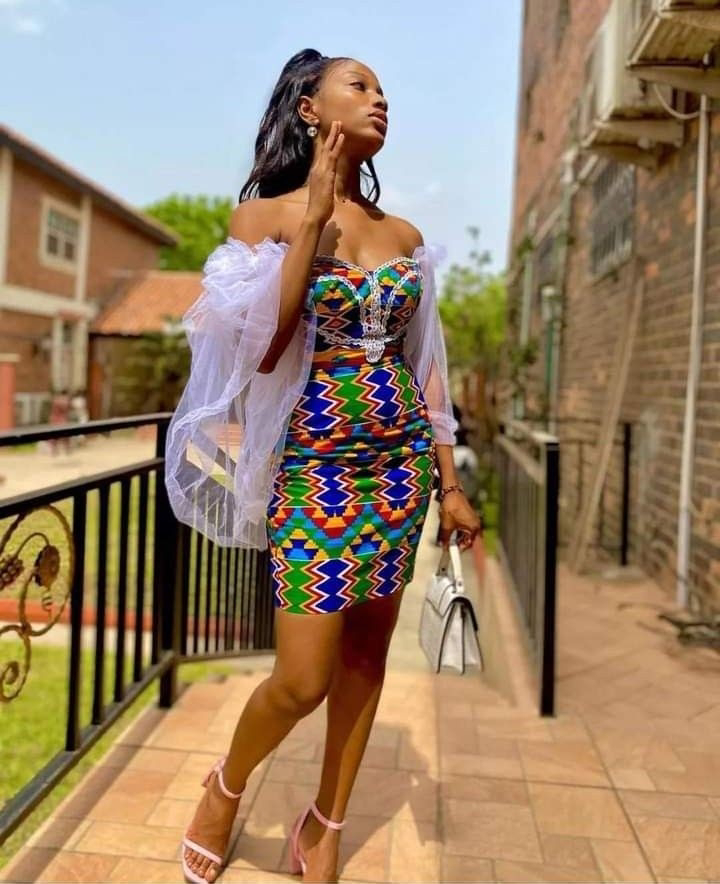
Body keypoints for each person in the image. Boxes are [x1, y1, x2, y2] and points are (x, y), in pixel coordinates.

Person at [165, 48, 482, 884]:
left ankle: (327, 820)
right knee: (302, 678)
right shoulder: (261, 219)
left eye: (385, 91)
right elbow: (262, 351)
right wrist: (310, 220)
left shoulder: (404, 237)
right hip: (314, 469)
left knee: (366, 659)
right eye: (361, 86)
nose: (381, 101)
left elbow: (426, 366)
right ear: (310, 108)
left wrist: (450, 483)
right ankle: (227, 786)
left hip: (399, 471)